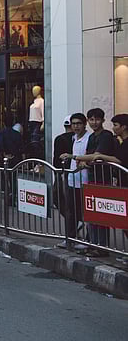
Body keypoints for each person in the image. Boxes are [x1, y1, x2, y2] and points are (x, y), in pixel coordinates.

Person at [69, 108, 116, 255]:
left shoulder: (106, 136)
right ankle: (93, 244)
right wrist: (85, 161)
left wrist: (77, 158)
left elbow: (97, 155)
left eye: (96, 119)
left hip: (102, 179)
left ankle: (101, 247)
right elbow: (90, 155)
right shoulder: (92, 137)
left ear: (102, 120)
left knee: (100, 215)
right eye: (91, 119)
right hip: (92, 178)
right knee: (92, 214)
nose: (94, 122)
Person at [59, 113, 91, 247]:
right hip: (72, 179)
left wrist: (73, 157)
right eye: (74, 124)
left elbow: (91, 156)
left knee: (87, 213)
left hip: (86, 181)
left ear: (84, 124)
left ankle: (90, 241)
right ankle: (70, 238)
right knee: (70, 210)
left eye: (79, 123)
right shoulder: (73, 138)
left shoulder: (90, 138)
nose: (76, 126)